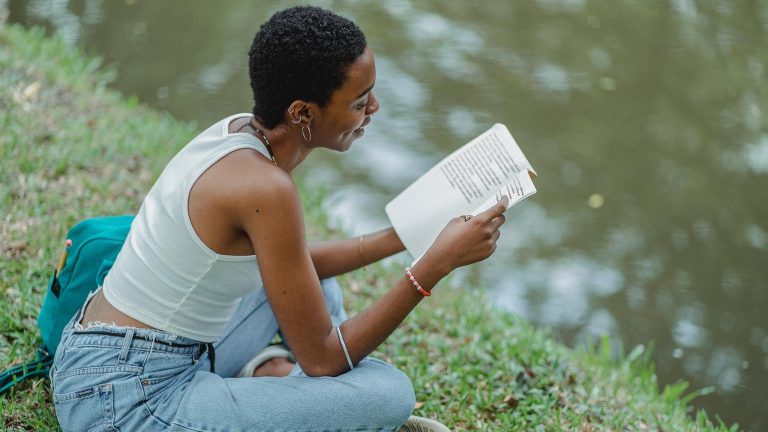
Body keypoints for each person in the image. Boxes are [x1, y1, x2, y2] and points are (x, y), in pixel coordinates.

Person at [50, 6, 508, 432]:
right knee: (391, 393)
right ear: (303, 113)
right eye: (360, 100)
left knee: (316, 284)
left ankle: (269, 378)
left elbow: (291, 262)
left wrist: (404, 236)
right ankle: (304, 404)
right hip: (127, 402)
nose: (374, 109)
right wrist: (433, 267)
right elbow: (325, 360)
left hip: (113, 353)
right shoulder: (267, 188)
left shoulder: (239, 132)